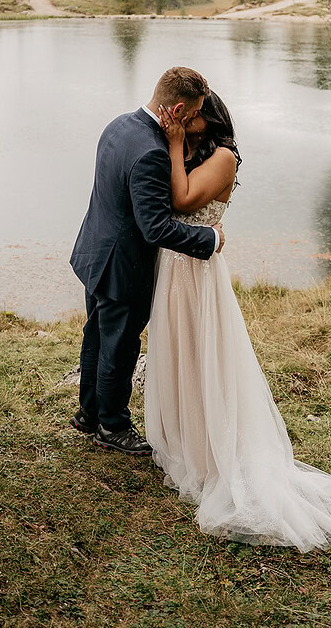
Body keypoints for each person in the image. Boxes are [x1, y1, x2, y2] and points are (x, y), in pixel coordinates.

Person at [144, 91, 331, 552]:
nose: (184, 121)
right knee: (179, 350)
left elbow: (181, 200)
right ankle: (183, 440)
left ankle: (213, 454)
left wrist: (169, 145)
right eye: (181, 115)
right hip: (173, 265)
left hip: (196, 270)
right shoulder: (187, 148)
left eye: (192, 116)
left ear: (211, 118)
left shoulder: (224, 157)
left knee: (202, 353)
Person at [69, 67, 225, 456]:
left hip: (94, 251)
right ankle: (112, 426)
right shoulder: (153, 152)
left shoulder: (119, 125)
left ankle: (89, 413)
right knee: (119, 346)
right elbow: (156, 229)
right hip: (125, 267)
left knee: (97, 334)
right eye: (192, 115)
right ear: (176, 108)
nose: (193, 124)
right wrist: (210, 238)